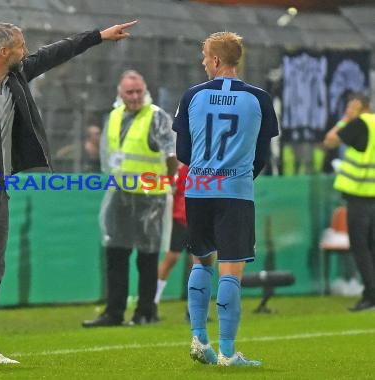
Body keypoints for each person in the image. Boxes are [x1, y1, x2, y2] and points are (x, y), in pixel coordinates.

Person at [0, 20, 138, 364]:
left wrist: (98, 37)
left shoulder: (14, 76)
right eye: (21, 46)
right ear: (4, 52)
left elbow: (53, 53)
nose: (26, 51)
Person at [173, 32, 278, 366]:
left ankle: (200, 339)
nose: (204, 61)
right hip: (235, 192)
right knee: (231, 270)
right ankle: (228, 353)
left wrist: (206, 174)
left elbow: (183, 152)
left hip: (198, 190)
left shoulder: (192, 96)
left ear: (216, 60)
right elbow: (262, 154)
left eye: (205, 56)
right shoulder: (259, 99)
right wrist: (239, 177)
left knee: (202, 261)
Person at [82, 70, 178, 328]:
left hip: (151, 196)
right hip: (121, 193)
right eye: (129, 92)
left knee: (146, 257)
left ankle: (145, 311)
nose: (134, 97)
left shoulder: (156, 116)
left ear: (145, 90)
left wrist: (169, 183)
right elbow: (107, 156)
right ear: (120, 93)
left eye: (138, 91)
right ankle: (114, 312)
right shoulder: (113, 117)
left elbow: (171, 154)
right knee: (116, 253)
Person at [324, 93, 375, 312]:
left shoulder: (359, 124)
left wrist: (345, 119)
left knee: (361, 247)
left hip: (360, 196)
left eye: (351, 107)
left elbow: (330, 140)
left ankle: (370, 295)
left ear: (359, 107)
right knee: (372, 247)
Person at [153, 163, 192, 319]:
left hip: (199, 220)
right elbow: (172, 189)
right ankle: (152, 302)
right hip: (180, 218)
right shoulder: (182, 168)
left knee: (198, 264)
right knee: (171, 258)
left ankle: (194, 309)